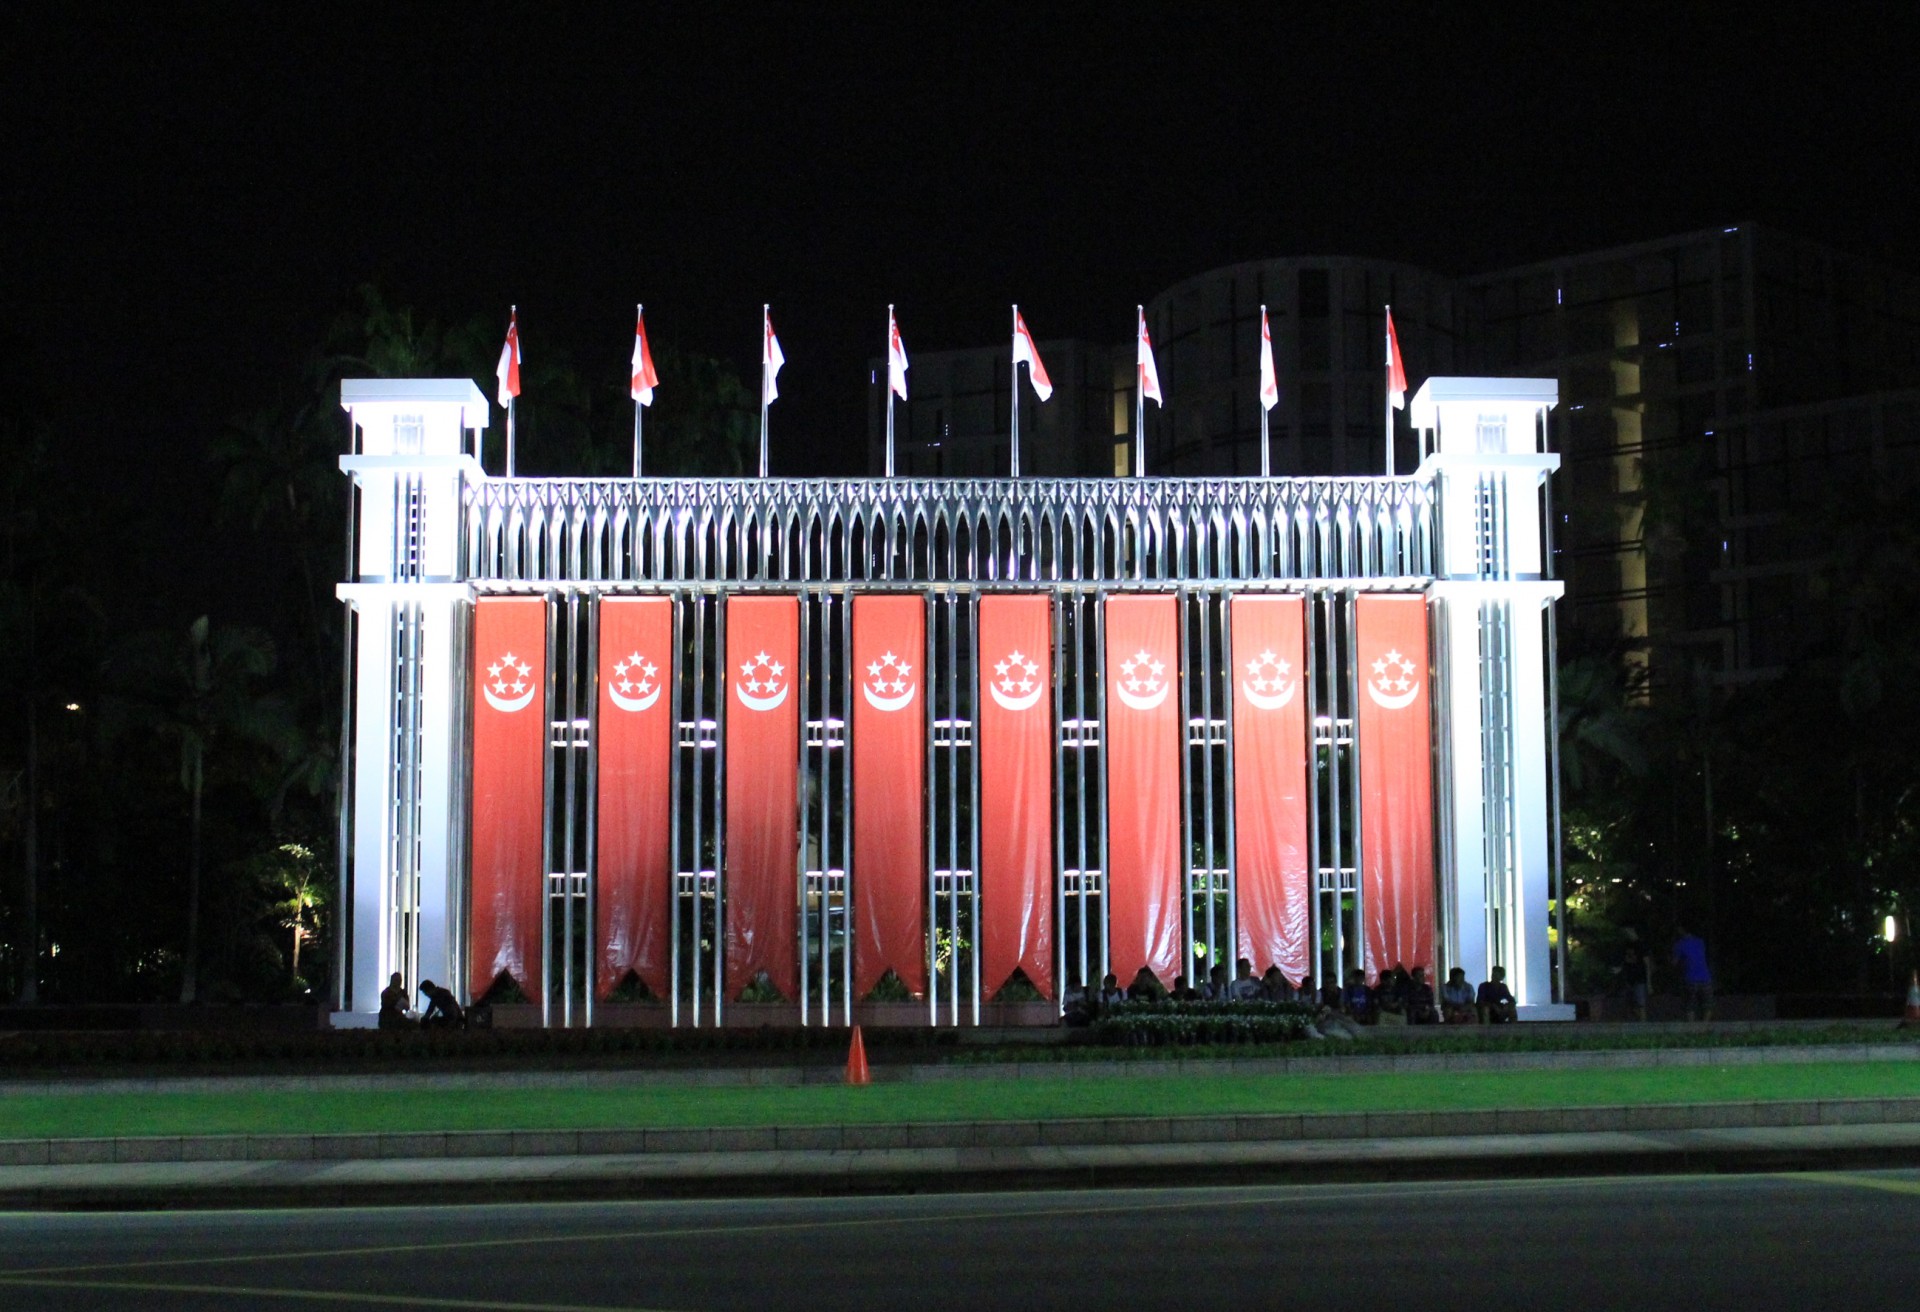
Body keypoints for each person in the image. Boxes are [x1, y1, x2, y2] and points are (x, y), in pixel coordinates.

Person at [1672, 926, 1713, 1021]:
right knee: (1707, 1004)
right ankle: (1704, 1026)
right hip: (1705, 977)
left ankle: (1692, 1028)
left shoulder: (1679, 944)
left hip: (1690, 978)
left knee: (1690, 1005)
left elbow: (1674, 963)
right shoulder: (1700, 942)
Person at [1615, 932, 1651, 1021]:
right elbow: (1625, 961)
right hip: (1629, 979)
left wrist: (1649, 983)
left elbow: (1647, 964)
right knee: (1631, 1005)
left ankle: (1643, 1025)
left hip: (1639, 979)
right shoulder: (1626, 945)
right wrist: (1620, 969)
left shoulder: (1641, 945)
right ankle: (1636, 1023)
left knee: (1641, 1004)